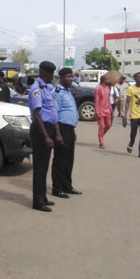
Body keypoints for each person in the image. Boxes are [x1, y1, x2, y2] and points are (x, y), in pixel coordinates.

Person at [28, 61, 61, 212]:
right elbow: (37, 113)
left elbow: (52, 111)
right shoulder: (36, 89)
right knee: (40, 167)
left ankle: (43, 197)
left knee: (44, 166)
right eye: (51, 74)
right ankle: (38, 201)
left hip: (48, 129)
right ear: (45, 74)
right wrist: (47, 136)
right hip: (41, 130)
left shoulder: (46, 88)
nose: (52, 78)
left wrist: (56, 133)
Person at [51, 68, 82, 199]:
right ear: (61, 77)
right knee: (60, 159)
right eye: (68, 77)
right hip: (61, 129)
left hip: (69, 130)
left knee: (69, 159)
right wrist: (58, 134)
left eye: (72, 77)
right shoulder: (57, 92)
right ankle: (57, 188)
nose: (71, 79)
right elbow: (54, 114)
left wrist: (73, 131)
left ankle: (67, 186)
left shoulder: (67, 91)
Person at [123, 72, 140, 159]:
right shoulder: (130, 88)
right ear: (134, 79)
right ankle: (131, 142)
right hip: (134, 115)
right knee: (133, 134)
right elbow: (127, 102)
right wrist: (125, 115)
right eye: (138, 77)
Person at [94, 76, 112, 149]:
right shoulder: (98, 88)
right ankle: (101, 142)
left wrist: (110, 109)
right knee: (101, 126)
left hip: (107, 110)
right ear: (104, 80)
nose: (108, 80)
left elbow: (108, 99)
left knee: (108, 125)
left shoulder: (108, 88)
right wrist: (97, 112)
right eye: (107, 79)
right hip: (100, 110)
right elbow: (97, 101)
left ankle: (100, 135)